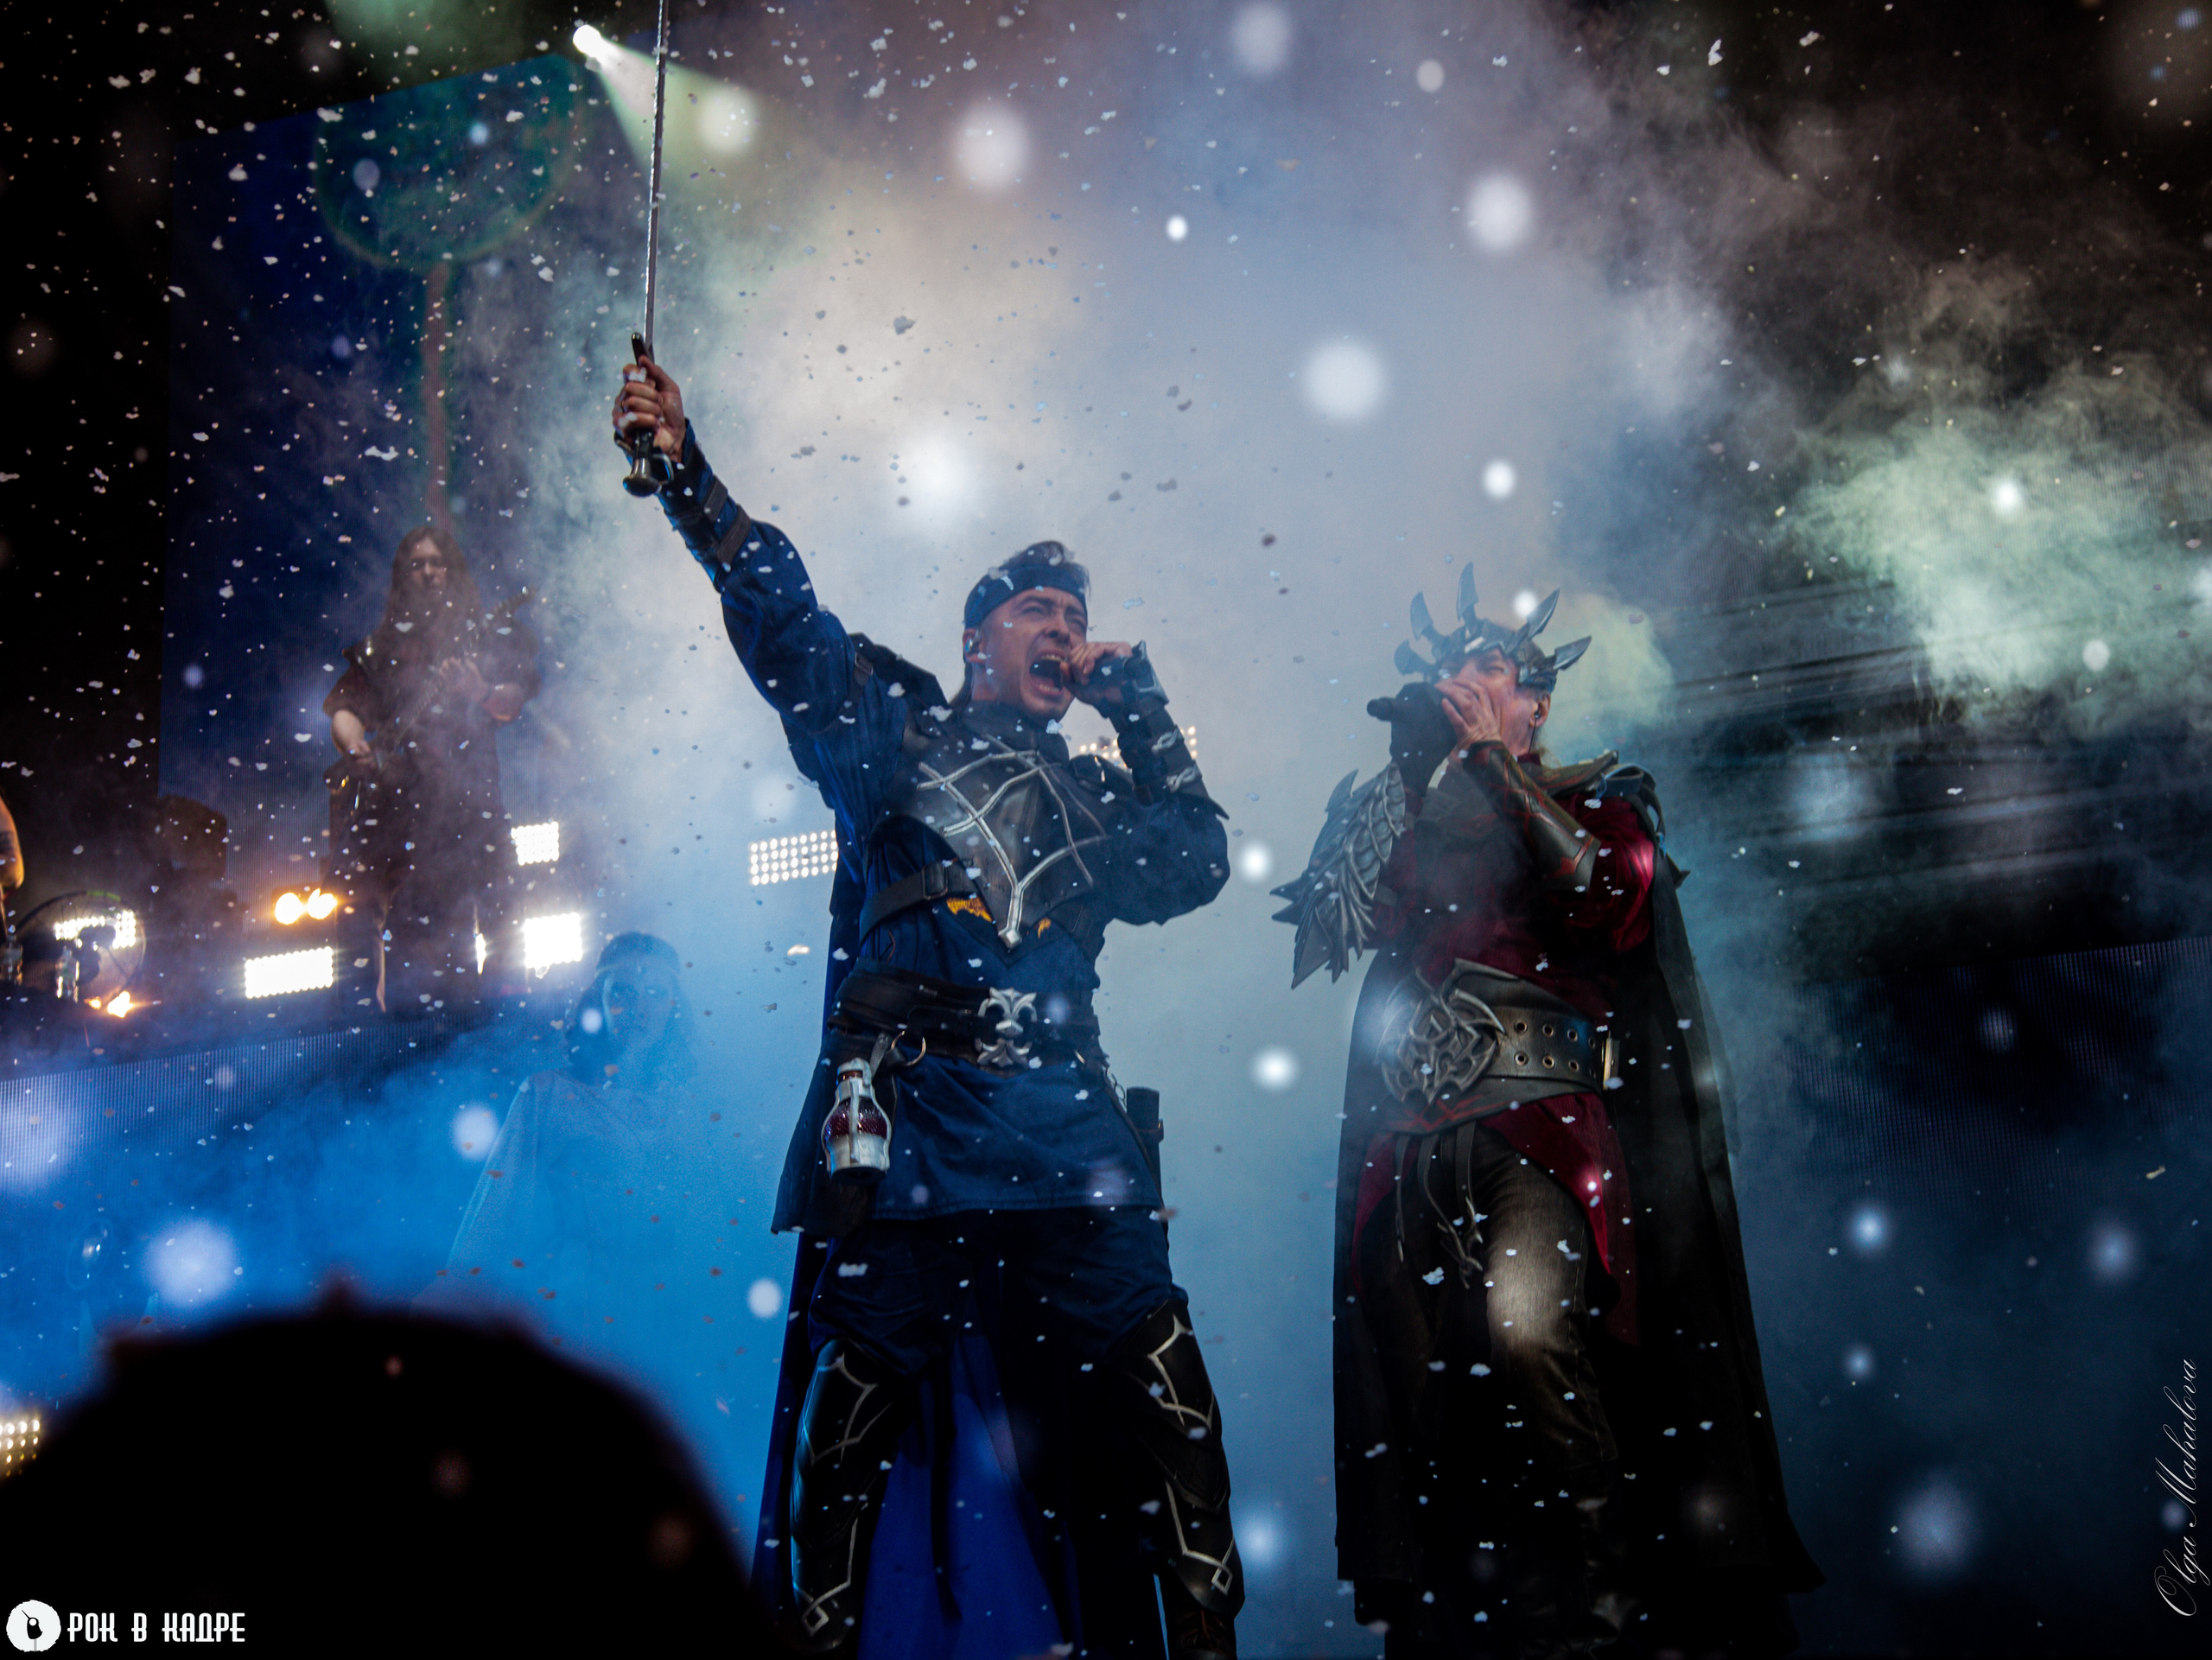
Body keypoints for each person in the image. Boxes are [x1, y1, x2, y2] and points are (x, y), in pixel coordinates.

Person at [614, 354, 1244, 1657]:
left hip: (1069, 1137)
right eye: (1039, 610)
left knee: (1169, 1409)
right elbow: (783, 616)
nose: (1066, 629)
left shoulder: (1100, 800)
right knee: (847, 1433)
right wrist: (687, 474)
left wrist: (1150, 712)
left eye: (1079, 615)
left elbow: (1199, 858)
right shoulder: (885, 733)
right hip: (911, 1134)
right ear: (980, 639)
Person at [1273, 569, 1821, 1657]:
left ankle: (1607, 1607)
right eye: (1453, 672)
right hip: (1408, 1143)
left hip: (1544, 1132)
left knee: (1529, 1337)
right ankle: (1460, 1616)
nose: (1465, 687)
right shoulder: (1407, 811)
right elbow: (1335, 930)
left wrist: (1487, 761)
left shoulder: (1596, 798)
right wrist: (1407, 770)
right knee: (1418, 1385)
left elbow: (1601, 897)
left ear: (1535, 702)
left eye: (1489, 673)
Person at [324, 525, 539, 1011]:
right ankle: (368, 1019)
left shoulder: (485, 636)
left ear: (452, 570)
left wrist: (478, 691)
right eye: (416, 564)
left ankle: (507, 1014)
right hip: (400, 805)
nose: (427, 572)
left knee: (501, 905)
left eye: (436, 562)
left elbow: (512, 701)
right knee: (363, 907)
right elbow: (344, 706)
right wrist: (355, 742)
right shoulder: (382, 648)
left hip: (472, 802)